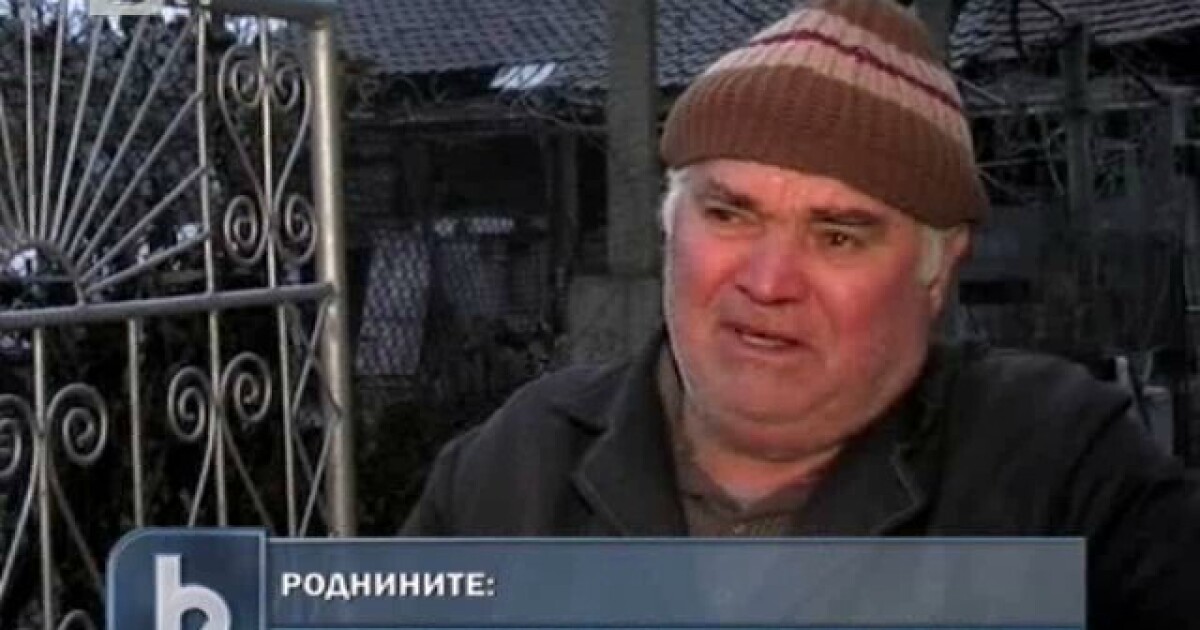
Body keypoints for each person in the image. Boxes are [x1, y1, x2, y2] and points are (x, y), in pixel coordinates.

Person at [403, 0, 1200, 626]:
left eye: (838, 235)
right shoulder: (517, 465)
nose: (768, 281)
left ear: (937, 270)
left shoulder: (1056, 469)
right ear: (670, 226)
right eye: (730, 214)